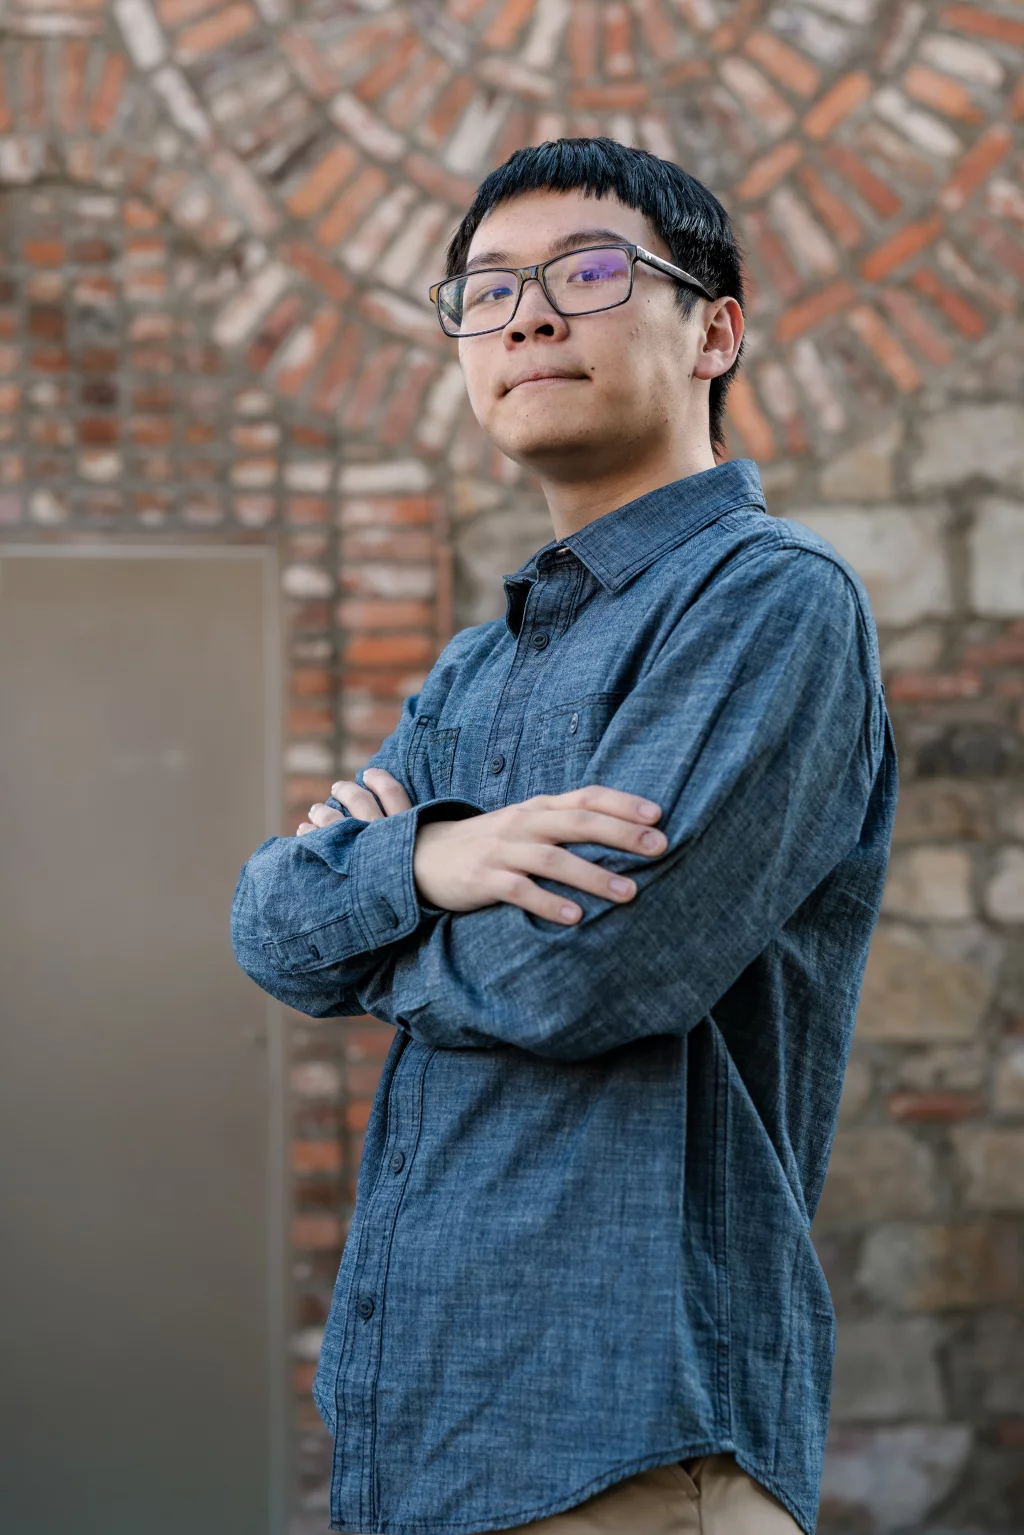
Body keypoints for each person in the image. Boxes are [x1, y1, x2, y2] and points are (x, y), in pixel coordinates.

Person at [232, 137, 896, 1535]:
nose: (526, 314)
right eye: (485, 290)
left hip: (631, 1451)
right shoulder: (482, 664)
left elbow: (583, 975)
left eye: (589, 273)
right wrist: (427, 863)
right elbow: (265, 923)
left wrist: (379, 926)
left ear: (715, 328)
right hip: (424, 1435)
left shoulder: (772, 607)